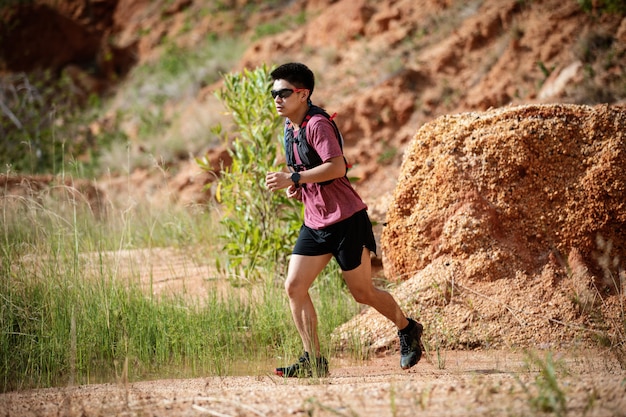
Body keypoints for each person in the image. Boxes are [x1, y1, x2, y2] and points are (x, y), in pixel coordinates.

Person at [265, 62, 423, 378]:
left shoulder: (317, 124)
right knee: (294, 286)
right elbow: (310, 174)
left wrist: (294, 176)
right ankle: (314, 361)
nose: (277, 100)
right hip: (315, 222)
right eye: (273, 94)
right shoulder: (289, 128)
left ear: (302, 93)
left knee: (362, 293)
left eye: (283, 93)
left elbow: (337, 168)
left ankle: (408, 329)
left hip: (345, 220)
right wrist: (296, 186)